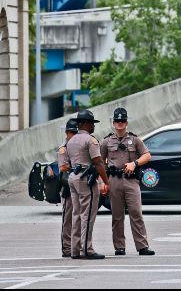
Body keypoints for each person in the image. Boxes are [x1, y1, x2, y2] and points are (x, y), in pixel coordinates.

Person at [100, 108, 155, 257]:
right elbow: (99, 163)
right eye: (117, 121)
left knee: (136, 212)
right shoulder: (106, 141)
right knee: (117, 216)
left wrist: (135, 163)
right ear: (113, 123)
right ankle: (119, 247)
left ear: (126, 123)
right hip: (114, 180)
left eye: (122, 121)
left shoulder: (135, 139)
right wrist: (102, 182)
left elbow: (147, 155)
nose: (120, 124)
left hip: (131, 180)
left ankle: (142, 246)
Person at [66, 110, 110, 260]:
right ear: (85, 123)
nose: (93, 126)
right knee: (88, 215)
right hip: (86, 178)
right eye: (92, 123)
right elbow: (98, 162)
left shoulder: (71, 140)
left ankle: (75, 250)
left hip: (73, 176)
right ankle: (87, 249)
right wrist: (106, 181)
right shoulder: (90, 140)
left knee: (76, 214)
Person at [58, 119, 78, 258]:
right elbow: (63, 167)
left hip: (80, 185)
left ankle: (77, 246)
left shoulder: (80, 147)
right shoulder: (63, 148)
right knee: (68, 218)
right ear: (66, 133)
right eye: (71, 133)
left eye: (75, 132)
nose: (73, 135)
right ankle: (66, 248)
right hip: (67, 186)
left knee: (80, 217)